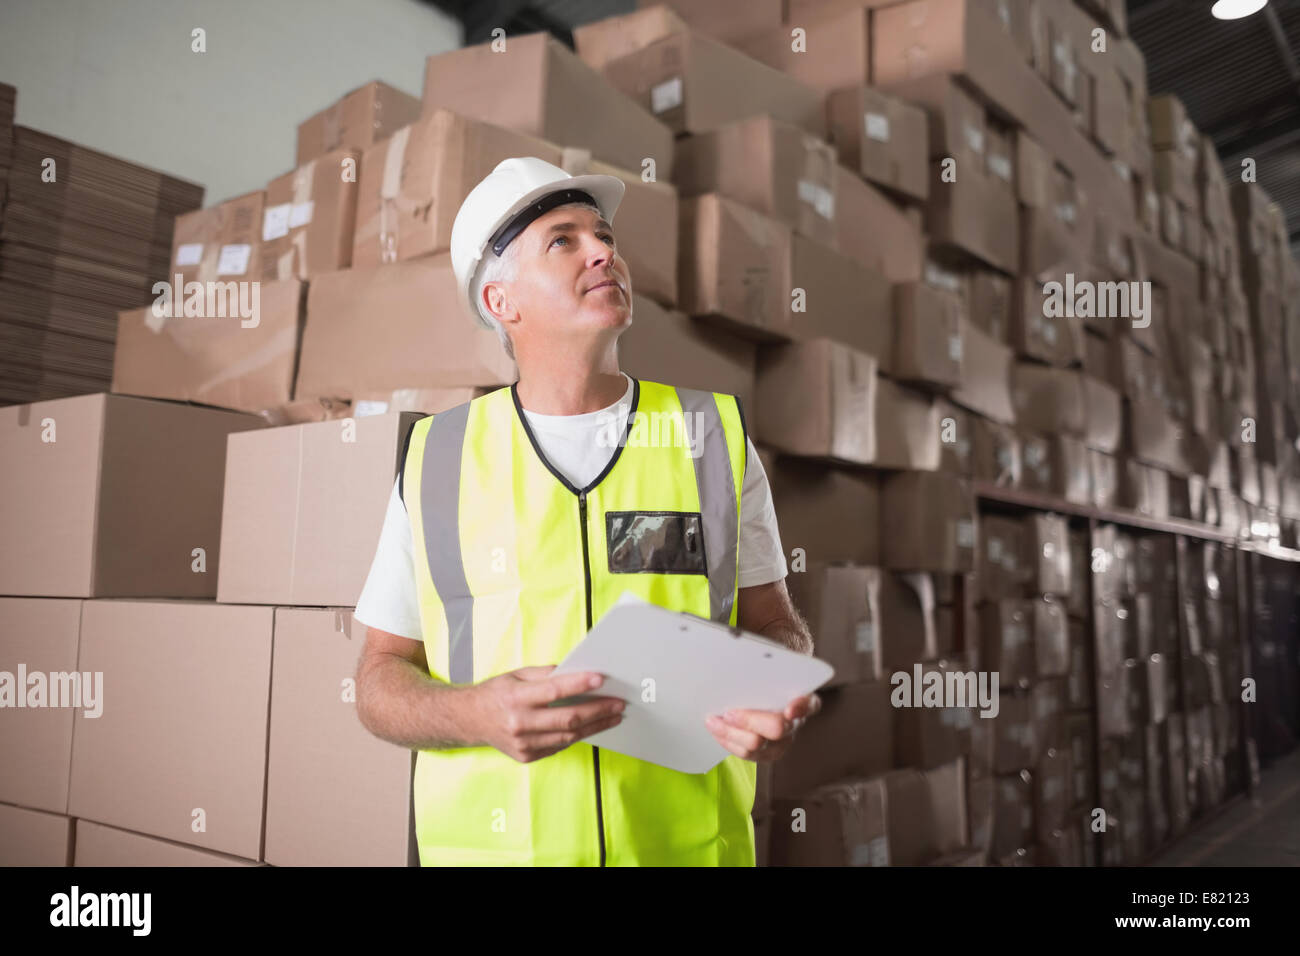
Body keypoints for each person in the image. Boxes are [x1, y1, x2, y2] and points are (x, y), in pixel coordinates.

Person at [353, 157, 819, 866]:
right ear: (502, 302)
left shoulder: (710, 439)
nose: (604, 251)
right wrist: (474, 713)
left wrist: (775, 692)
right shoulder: (437, 458)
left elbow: (776, 627)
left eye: (603, 236)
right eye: (562, 240)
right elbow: (379, 681)